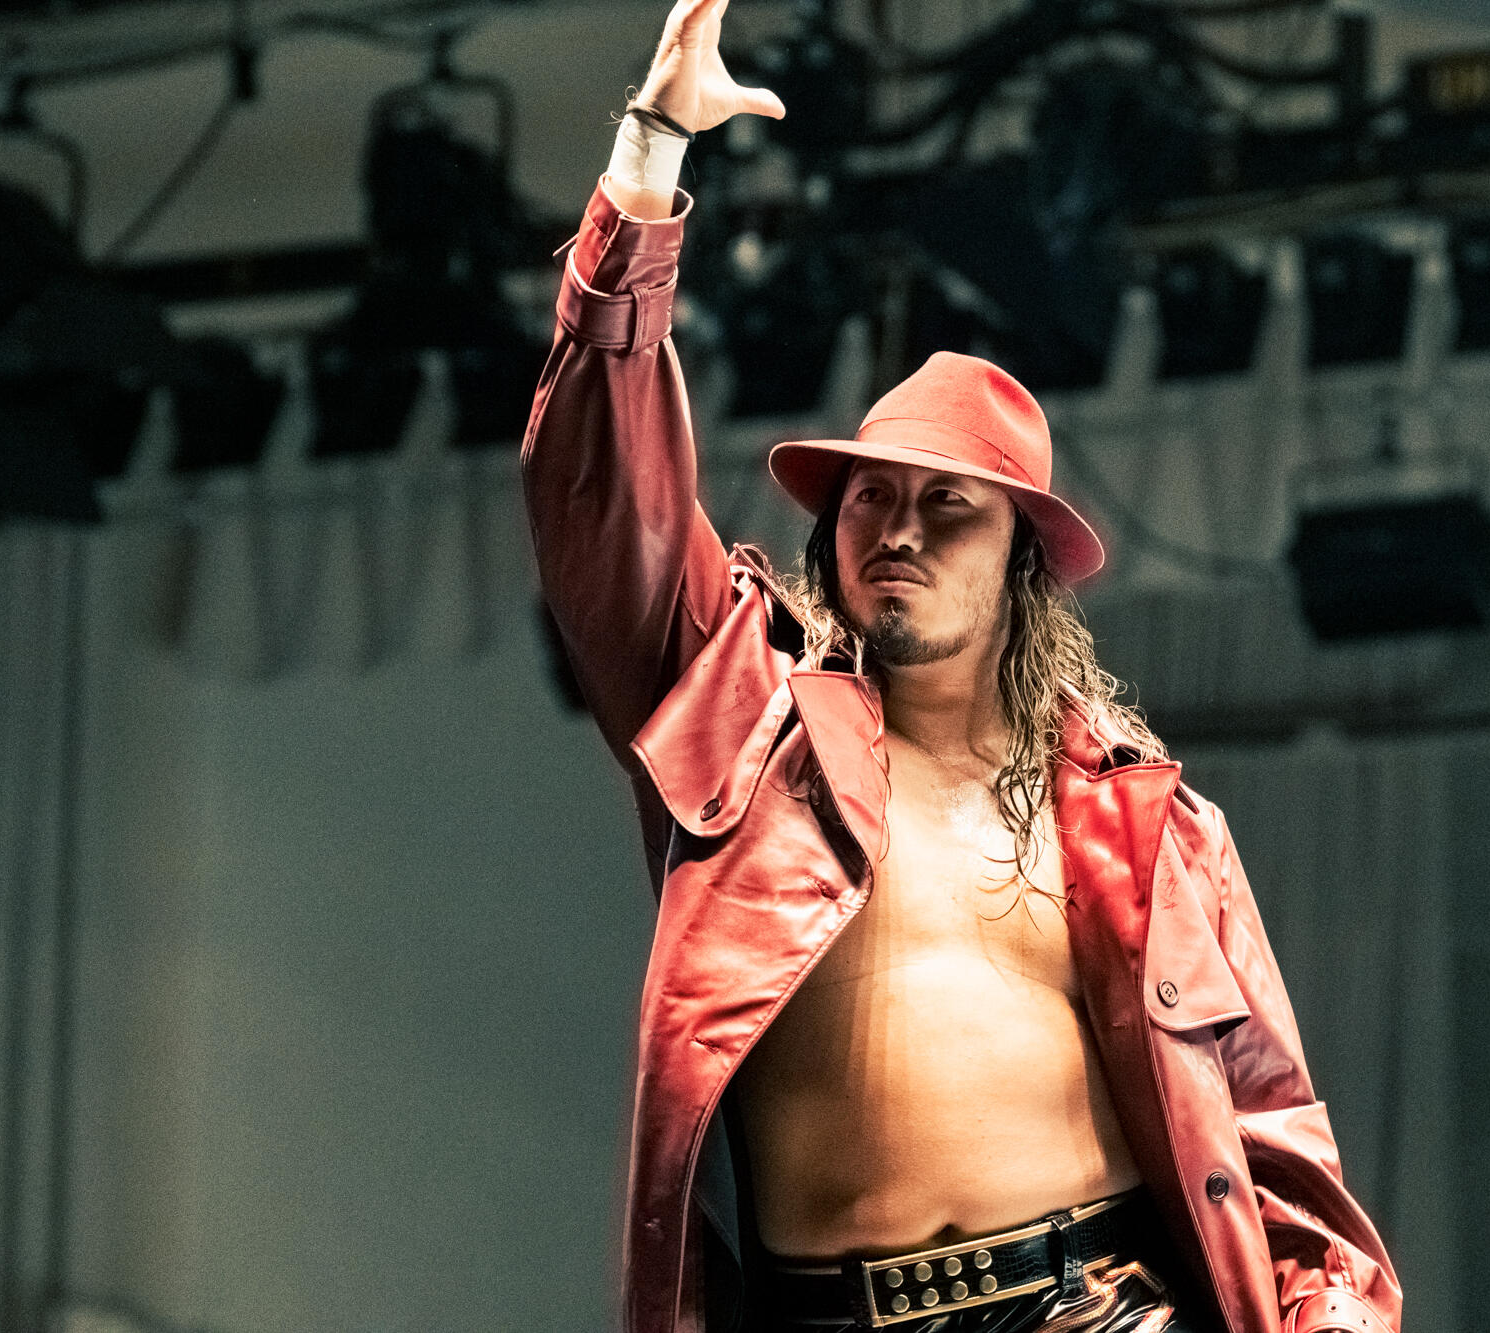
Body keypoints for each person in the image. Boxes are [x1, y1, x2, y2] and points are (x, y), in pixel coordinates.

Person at [521, 2, 1403, 1329]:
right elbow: (600, 495)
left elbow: (1273, 1135)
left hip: (1098, 1308)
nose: (900, 530)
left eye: (950, 507)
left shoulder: (1144, 824)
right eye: (872, 498)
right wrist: (649, 157)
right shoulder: (746, 723)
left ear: (1022, 561)